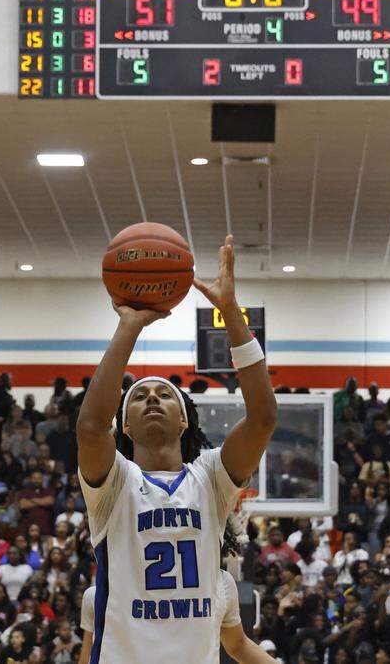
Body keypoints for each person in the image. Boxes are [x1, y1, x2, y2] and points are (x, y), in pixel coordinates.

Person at [76, 235, 276, 663]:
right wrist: (128, 326)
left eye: (164, 395)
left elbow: (262, 419)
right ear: (125, 425)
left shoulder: (209, 479)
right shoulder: (115, 485)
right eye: (140, 395)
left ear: (184, 418)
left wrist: (231, 315)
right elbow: (91, 427)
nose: (151, 398)